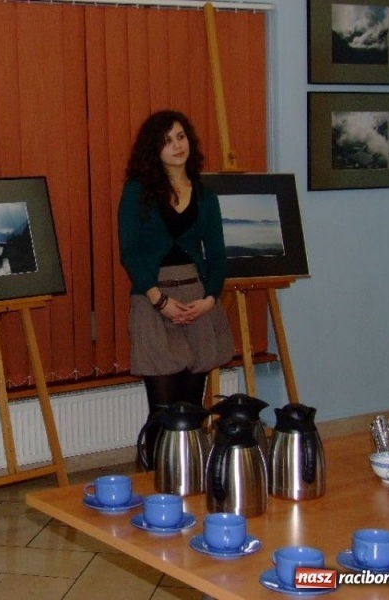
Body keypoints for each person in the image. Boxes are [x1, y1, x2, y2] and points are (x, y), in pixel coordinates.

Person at [117, 110, 234, 465]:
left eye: (181, 137)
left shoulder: (205, 195)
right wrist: (158, 298)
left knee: (191, 409)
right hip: (155, 300)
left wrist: (209, 300)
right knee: (163, 410)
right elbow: (130, 252)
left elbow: (217, 255)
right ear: (154, 148)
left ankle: (188, 480)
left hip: (196, 302)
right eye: (167, 140)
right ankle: (155, 481)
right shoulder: (137, 192)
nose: (176, 146)